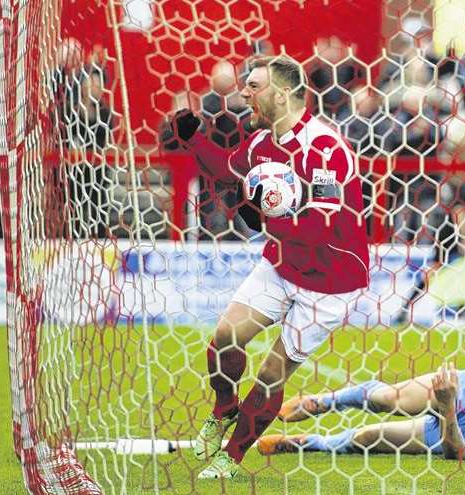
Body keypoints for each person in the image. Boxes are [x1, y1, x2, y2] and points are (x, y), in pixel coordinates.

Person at [170, 55, 370, 479]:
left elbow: (321, 225)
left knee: (272, 371)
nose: (244, 92)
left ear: (281, 94)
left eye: (254, 86)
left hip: (330, 282)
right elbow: (227, 170)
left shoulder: (324, 147)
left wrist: (262, 218)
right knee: (224, 338)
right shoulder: (262, 143)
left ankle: (232, 456)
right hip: (282, 263)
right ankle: (224, 409)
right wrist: (194, 139)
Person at [258, 364, 465, 461]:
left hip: (457, 431)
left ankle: (309, 443)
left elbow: (459, 453)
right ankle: (327, 401)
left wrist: (447, 409)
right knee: (392, 401)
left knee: (368, 438)